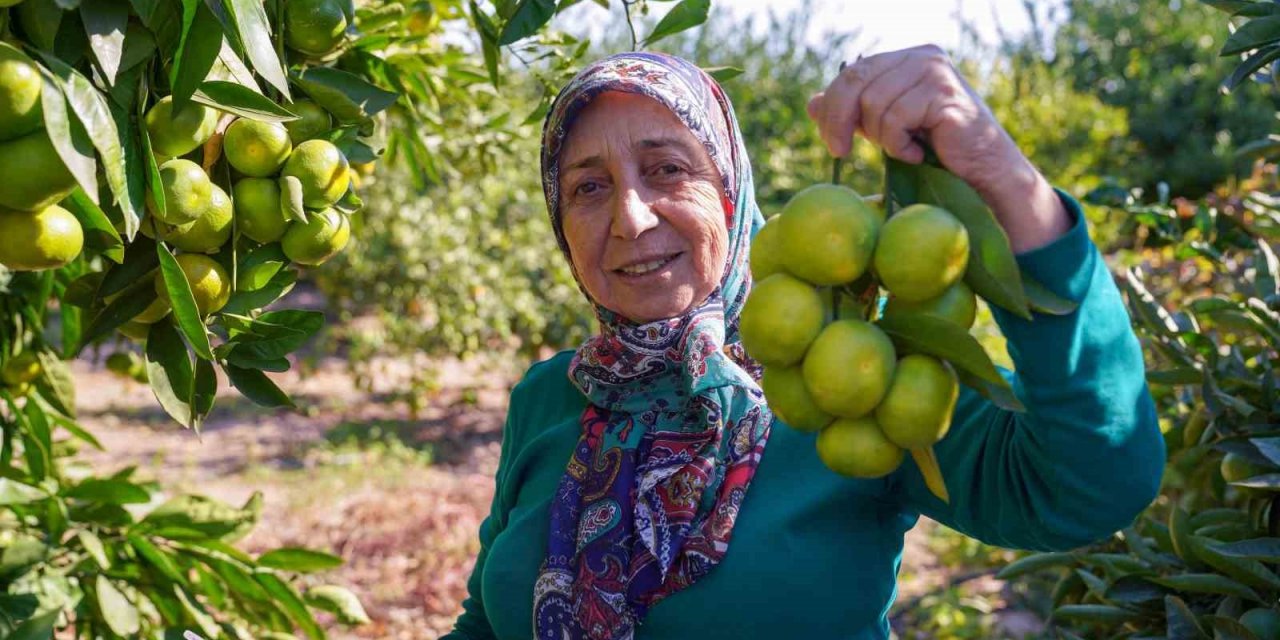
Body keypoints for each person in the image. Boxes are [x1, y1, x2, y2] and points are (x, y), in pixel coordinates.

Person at [443, 48, 1165, 640]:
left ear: (730, 190)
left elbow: (1090, 484)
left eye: (667, 169)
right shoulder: (551, 396)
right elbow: (487, 624)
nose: (630, 218)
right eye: (589, 187)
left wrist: (1002, 180)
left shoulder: (844, 375)